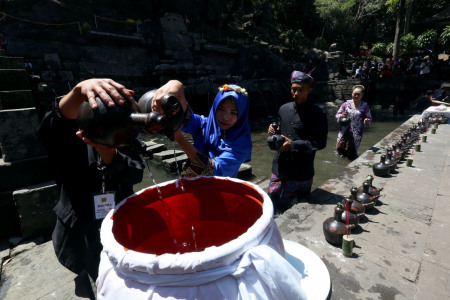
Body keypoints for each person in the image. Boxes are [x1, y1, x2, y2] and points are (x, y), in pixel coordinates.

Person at [37, 78, 144, 296]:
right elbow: (50, 128)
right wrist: (78, 93)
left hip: (120, 223)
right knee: (92, 273)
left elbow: (135, 172)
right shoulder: (71, 144)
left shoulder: (128, 142)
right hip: (81, 230)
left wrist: (110, 155)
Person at [152, 80, 252, 178]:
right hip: (192, 185)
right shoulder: (206, 125)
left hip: (219, 191)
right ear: (215, 107)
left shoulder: (241, 145)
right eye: (221, 109)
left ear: (241, 116)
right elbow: (186, 117)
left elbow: (211, 170)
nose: (225, 117)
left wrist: (177, 136)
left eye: (233, 112)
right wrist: (177, 86)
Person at [267, 71, 328, 214]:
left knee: (299, 206)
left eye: (301, 89)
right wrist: (273, 129)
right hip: (280, 166)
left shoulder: (318, 114)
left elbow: (321, 143)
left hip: (302, 170)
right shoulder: (283, 109)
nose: (296, 93)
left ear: (309, 90)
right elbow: (280, 129)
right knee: (271, 202)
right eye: (294, 89)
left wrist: (293, 145)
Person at [336, 85, 372, 160]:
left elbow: (369, 117)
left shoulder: (365, 106)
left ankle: (349, 164)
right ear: (351, 93)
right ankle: (341, 165)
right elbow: (337, 114)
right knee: (340, 149)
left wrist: (367, 120)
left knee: (351, 152)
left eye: (358, 94)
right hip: (344, 131)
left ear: (362, 95)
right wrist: (341, 115)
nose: (356, 96)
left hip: (356, 132)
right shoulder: (346, 104)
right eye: (354, 94)